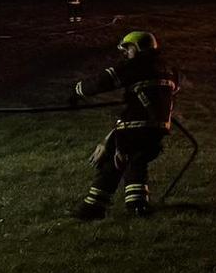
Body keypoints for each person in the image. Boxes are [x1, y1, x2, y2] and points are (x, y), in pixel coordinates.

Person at [71, 30, 178, 219]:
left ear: (138, 48)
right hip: (159, 127)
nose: (126, 53)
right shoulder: (168, 68)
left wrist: (78, 90)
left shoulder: (135, 65)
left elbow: (103, 81)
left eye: (128, 49)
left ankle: (98, 208)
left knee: (112, 159)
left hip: (135, 125)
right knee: (136, 161)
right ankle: (131, 205)